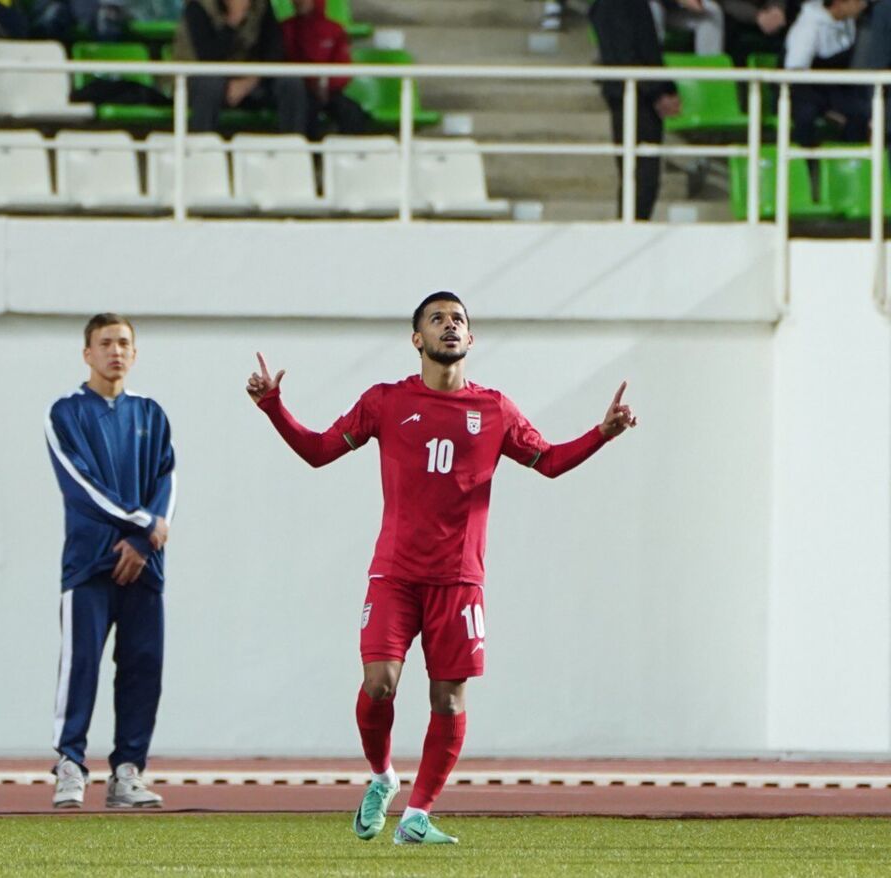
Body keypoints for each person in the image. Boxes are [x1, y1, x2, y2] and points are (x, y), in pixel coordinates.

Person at [246, 292, 637, 845]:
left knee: (447, 701)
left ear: (470, 339)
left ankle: (417, 816)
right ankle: (383, 777)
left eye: (458, 320)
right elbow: (318, 451)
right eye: (437, 319)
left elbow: (547, 461)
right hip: (395, 575)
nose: (449, 326)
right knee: (379, 684)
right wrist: (274, 406)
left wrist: (603, 432)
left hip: (459, 582)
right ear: (417, 340)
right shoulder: (384, 402)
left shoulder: (496, 409)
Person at [46, 314, 176, 810]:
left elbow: (169, 480)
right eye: (105, 343)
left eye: (124, 343)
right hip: (89, 565)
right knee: (80, 666)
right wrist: (142, 525)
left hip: (144, 566)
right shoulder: (64, 413)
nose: (115, 351)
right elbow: (79, 487)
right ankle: (70, 766)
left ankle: (127, 773)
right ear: (87, 353)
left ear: (135, 353)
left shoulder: (152, 414)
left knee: (144, 667)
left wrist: (144, 545)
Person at [590, 0, 682, 220]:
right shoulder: (612, 6)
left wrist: (666, 88)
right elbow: (624, 56)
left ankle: (631, 228)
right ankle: (629, 232)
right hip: (630, 97)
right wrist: (659, 92)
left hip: (643, 96)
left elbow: (649, 51)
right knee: (640, 178)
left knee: (644, 178)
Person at [172, 0, 308, 134]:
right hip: (201, 80)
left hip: (250, 80)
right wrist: (233, 20)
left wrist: (249, 82)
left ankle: (293, 147)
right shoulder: (198, 6)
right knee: (210, 85)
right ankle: (202, 148)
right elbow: (209, 57)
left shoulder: (261, 5)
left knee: (291, 83)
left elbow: (274, 52)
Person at [784, 0, 868, 147]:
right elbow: (795, 70)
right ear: (838, 3)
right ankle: (807, 164)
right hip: (805, 92)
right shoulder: (808, 25)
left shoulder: (849, 23)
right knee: (806, 115)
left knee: (862, 111)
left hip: (834, 90)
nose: (863, 5)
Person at [280, 0, 368, 139]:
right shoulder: (285, 29)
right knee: (305, 110)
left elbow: (343, 67)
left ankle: (352, 156)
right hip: (299, 92)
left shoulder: (334, 30)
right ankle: (308, 157)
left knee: (352, 111)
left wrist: (325, 85)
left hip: (329, 91)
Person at [649, 0, 727, 55]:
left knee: (713, 10)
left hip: (676, 11)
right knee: (653, 8)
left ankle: (709, 69)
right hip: (649, 7)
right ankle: (652, 62)